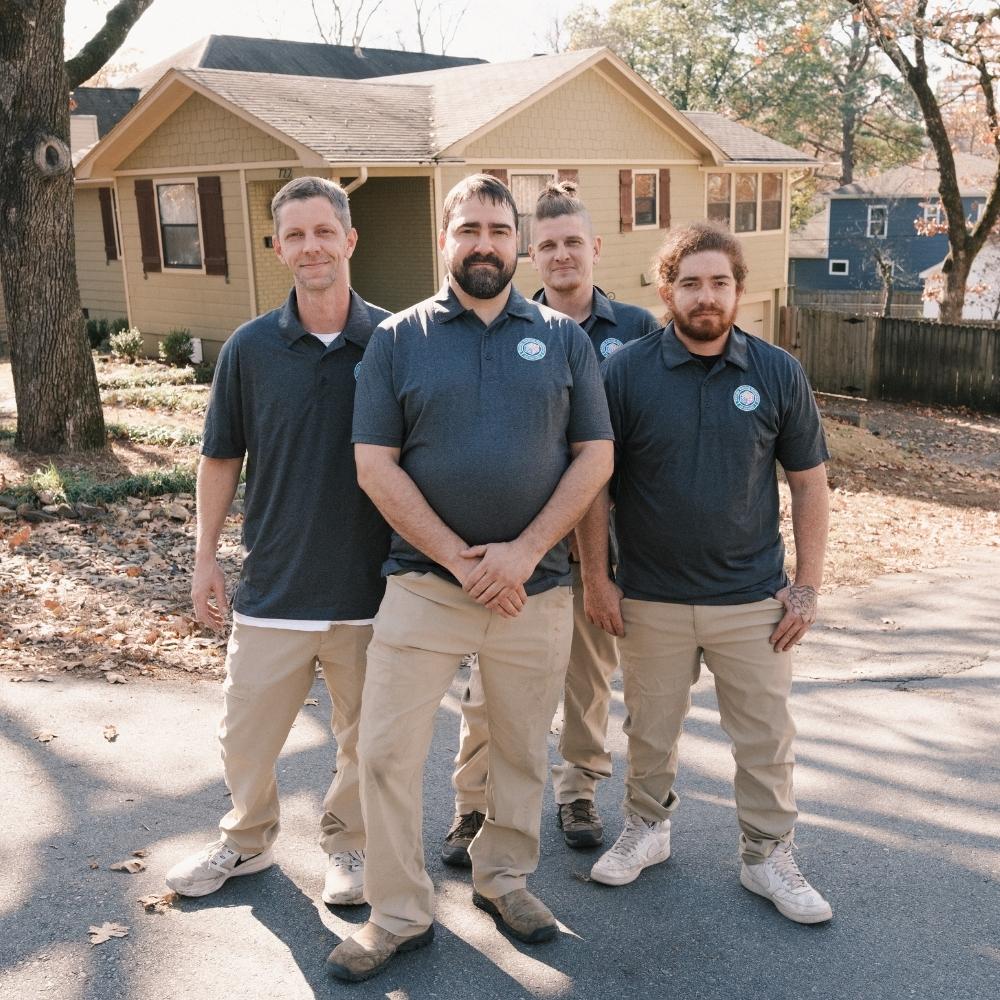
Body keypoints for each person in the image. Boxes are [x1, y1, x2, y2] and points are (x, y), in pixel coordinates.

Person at [325, 174, 614, 982]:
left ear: (517, 242)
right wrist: (460, 558)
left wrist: (523, 552)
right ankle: (398, 913)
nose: (483, 243)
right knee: (384, 752)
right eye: (468, 229)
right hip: (422, 586)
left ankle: (505, 880)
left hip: (536, 590)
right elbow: (374, 466)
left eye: (497, 229)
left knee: (520, 752)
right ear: (443, 241)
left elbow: (596, 455)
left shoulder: (564, 339)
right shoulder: (398, 340)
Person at [578, 221, 833, 924]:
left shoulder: (777, 372)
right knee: (650, 731)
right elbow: (592, 484)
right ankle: (647, 830)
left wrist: (806, 589)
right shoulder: (624, 371)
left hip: (751, 599)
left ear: (739, 291)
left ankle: (766, 854)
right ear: (666, 290)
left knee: (764, 738)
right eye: (690, 282)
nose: (706, 296)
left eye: (720, 282)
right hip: (651, 596)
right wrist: (598, 580)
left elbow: (810, 484)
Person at [164, 177, 390, 909]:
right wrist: (205, 556)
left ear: (350, 239)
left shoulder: (395, 341)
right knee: (243, 736)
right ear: (277, 248)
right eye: (294, 235)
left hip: (373, 589)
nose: (310, 246)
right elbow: (221, 456)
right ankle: (247, 840)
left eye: (323, 231)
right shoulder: (250, 348)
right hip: (276, 583)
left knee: (365, 740)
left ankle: (349, 849)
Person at [443, 181, 658, 866]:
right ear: (531, 256)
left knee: (589, 679)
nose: (562, 255)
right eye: (549, 245)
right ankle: (473, 807)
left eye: (573, 243)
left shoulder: (638, 331)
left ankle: (578, 791)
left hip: (606, 540)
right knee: (489, 686)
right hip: (520, 542)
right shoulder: (511, 326)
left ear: (594, 248)